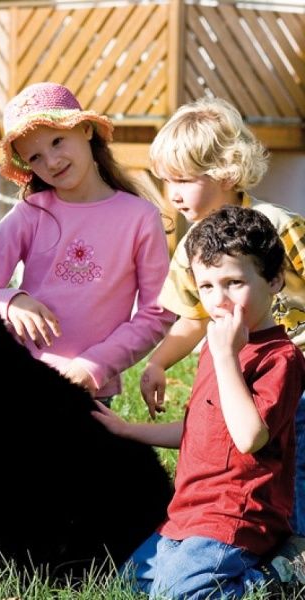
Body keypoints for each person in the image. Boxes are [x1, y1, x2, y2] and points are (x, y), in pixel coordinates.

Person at [94, 205, 305, 599]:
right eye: (207, 286)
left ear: (274, 280)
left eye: (234, 282)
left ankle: (281, 574)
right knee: (125, 580)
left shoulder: (281, 357)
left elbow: (249, 437)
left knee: (179, 594)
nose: (219, 300)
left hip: (238, 514)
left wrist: (226, 356)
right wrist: (127, 429)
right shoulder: (216, 347)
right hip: (189, 511)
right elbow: (201, 431)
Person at [140, 97, 305, 537]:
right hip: (237, 372)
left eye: (183, 180)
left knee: (297, 463)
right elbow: (193, 317)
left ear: (226, 173)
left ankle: (294, 550)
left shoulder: (275, 224)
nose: (172, 193)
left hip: (293, 370)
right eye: (165, 180)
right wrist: (158, 362)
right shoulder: (194, 243)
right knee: (246, 464)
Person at [0, 81, 174, 403]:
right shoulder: (30, 213)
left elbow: (157, 313)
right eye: (35, 157)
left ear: (86, 129)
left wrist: (92, 367)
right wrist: (11, 302)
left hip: (88, 390)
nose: (50, 162)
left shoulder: (140, 218)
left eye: (58, 141)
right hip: (14, 377)